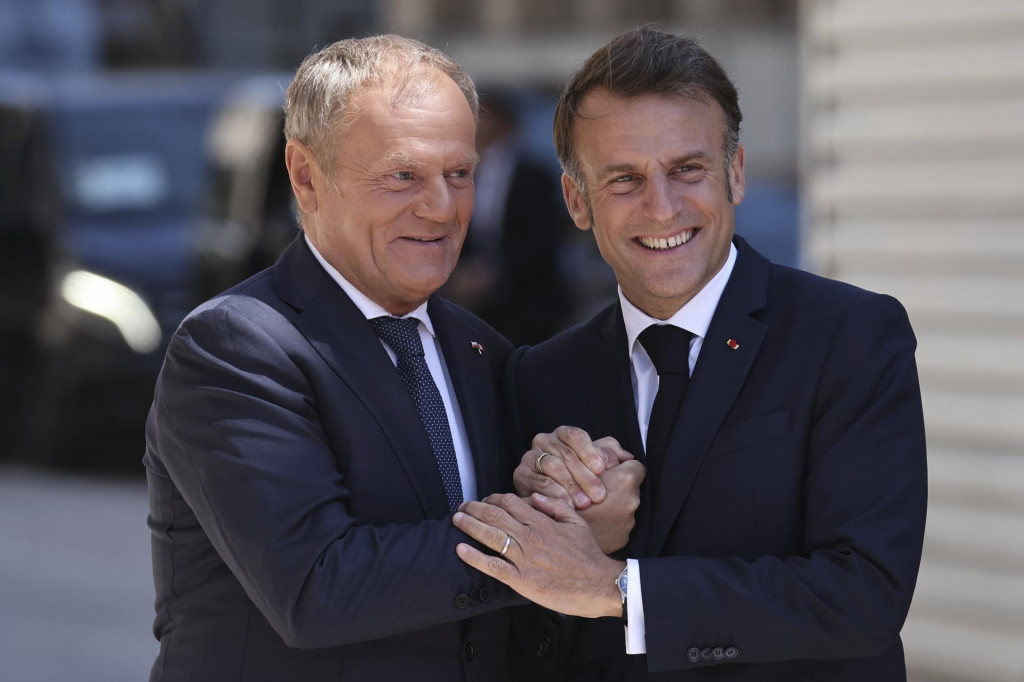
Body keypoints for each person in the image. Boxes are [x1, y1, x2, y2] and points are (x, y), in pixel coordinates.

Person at [453, 27, 927, 680]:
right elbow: (531, 630)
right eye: (623, 178)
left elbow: (864, 594)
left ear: (734, 172)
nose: (663, 206)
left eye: (688, 169)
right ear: (576, 201)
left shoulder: (850, 335)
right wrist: (560, 528)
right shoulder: (540, 375)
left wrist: (618, 589)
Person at [144, 35, 524, 682]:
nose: (441, 207)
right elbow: (319, 587)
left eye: (459, 173)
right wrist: (545, 542)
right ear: (306, 176)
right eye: (403, 174)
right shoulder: (235, 348)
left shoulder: (483, 352)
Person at [442, 87, 573, 346]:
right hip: (479, 306)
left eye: (481, 116)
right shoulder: (466, 171)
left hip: (530, 303)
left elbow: (542, 237)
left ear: (500, 119)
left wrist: (495, 275)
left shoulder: (534, 175)